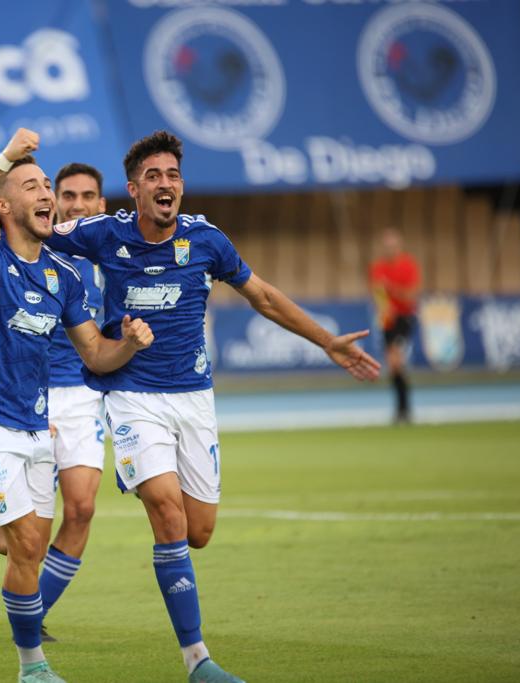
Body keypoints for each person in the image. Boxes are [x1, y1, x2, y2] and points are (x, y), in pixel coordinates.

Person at [46, 131, 381, 683]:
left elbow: (263, 297)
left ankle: (185, 619)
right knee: (168, 514)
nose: (165, 184)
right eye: (153, 176)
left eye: (172, 175)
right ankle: (198, 661)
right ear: (133, 190)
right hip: (132, 399)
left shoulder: (207, 241)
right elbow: (37, 233)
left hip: (195, 400)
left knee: (198, 531)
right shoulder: (103, 234)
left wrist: (327, 341)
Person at [0, 129, 153, 683]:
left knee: (25, 547)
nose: (47, 193)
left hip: (33, 420)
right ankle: (33, 668)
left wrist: (130, 345)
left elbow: (94, 351)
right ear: (3, 204)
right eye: (33, 185)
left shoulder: (64, 277)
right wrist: (5, 158)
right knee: (24, 542)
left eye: (48, 184)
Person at [0, 163, 108, 642]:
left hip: (75, 396)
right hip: (23, 399)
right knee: (25, 539)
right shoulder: (21, 243)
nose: (71, 203)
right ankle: (31, 644)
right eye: (63, 193)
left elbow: (100, 344)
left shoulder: (101, 265)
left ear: (102, 207)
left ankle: (31, 621)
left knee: (77, 512)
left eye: (84, 197)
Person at [369, 228, 420, 424]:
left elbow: (410, 295)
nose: (390, 249)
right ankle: (401, 409)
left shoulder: (408, 265)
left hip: (404, 317)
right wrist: (383, 306)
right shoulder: (378, 267)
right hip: (388, 319)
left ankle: (404, 409)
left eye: (393, 246)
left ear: (399, 246)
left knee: (396, 361)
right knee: (392, 366)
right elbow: (377, 294)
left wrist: (392, 289)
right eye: (387, 246)